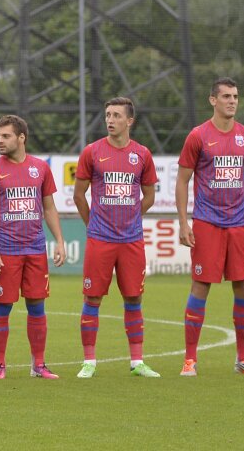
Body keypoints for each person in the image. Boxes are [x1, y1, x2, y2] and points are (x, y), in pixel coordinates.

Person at [176, 77, 244, 376]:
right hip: (207, 223)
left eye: (235, 97)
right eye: (227, 96)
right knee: (201, 285)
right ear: (213, 100)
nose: (232, 101)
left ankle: (243, 358)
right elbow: (182, 180)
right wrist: (183, 222)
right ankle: (190, 359)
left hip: (240, 223)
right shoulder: (198, 136)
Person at [72, 97, 159, 378]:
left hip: (131, 239)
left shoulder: (142, 154)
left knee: (134, 298)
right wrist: (93, 224)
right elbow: (79, 195)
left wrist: (133, 215)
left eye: (116, 115)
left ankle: (137, 362)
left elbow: (149, 196)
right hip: (100, 238)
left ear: (129, 121)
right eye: (108, 114)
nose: (110, 120)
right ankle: (89, 362)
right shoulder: (92, 152)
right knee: (92, 298)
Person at [0, 115, 66, 380]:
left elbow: (49, 207)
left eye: (5, 136)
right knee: (2, 307)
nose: (0, 140)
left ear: (21, 138)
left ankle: (38, 365)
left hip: (35, 250)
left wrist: (59, 241)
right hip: (6, 251)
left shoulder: (40, 168)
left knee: (37, 306)